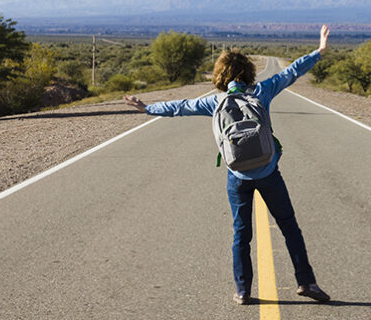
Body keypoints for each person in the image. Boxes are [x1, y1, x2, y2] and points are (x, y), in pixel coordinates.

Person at [124, 25, 331, 305]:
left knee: (241, 234)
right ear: (248, 72)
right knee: (289, 227)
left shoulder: (215, 101)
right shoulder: (262, 92)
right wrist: (319, 50)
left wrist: (147, 107)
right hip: (269, 172)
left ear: (221, 75)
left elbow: (179, 106)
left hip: (237, 175)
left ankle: (243, 291)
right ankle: (306, 282)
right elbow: (291, 72)